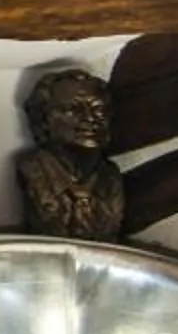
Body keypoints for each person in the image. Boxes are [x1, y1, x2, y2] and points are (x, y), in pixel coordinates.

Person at [16, 68, 125, 239]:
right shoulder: (33, 170)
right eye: (74, 109)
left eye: (98, 109)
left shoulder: (110, 177)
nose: (89, 118)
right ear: (44, 118)